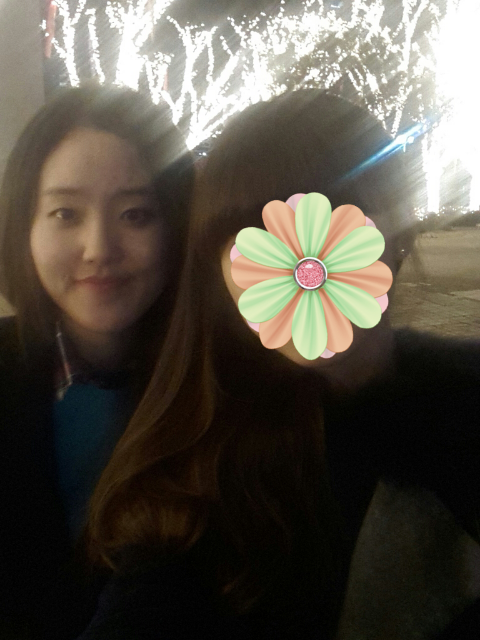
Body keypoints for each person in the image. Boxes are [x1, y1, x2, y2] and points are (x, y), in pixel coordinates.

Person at [77, 89, 480, 639]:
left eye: (326, 222)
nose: (296, 266)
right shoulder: (199, 471)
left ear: (397, 234)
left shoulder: (460, 414)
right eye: (253, 242)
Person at [0, 83, 194, 639]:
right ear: (24, 226)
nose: (99, 248)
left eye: (136, 214)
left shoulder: (223, 381)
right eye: (65, 213)